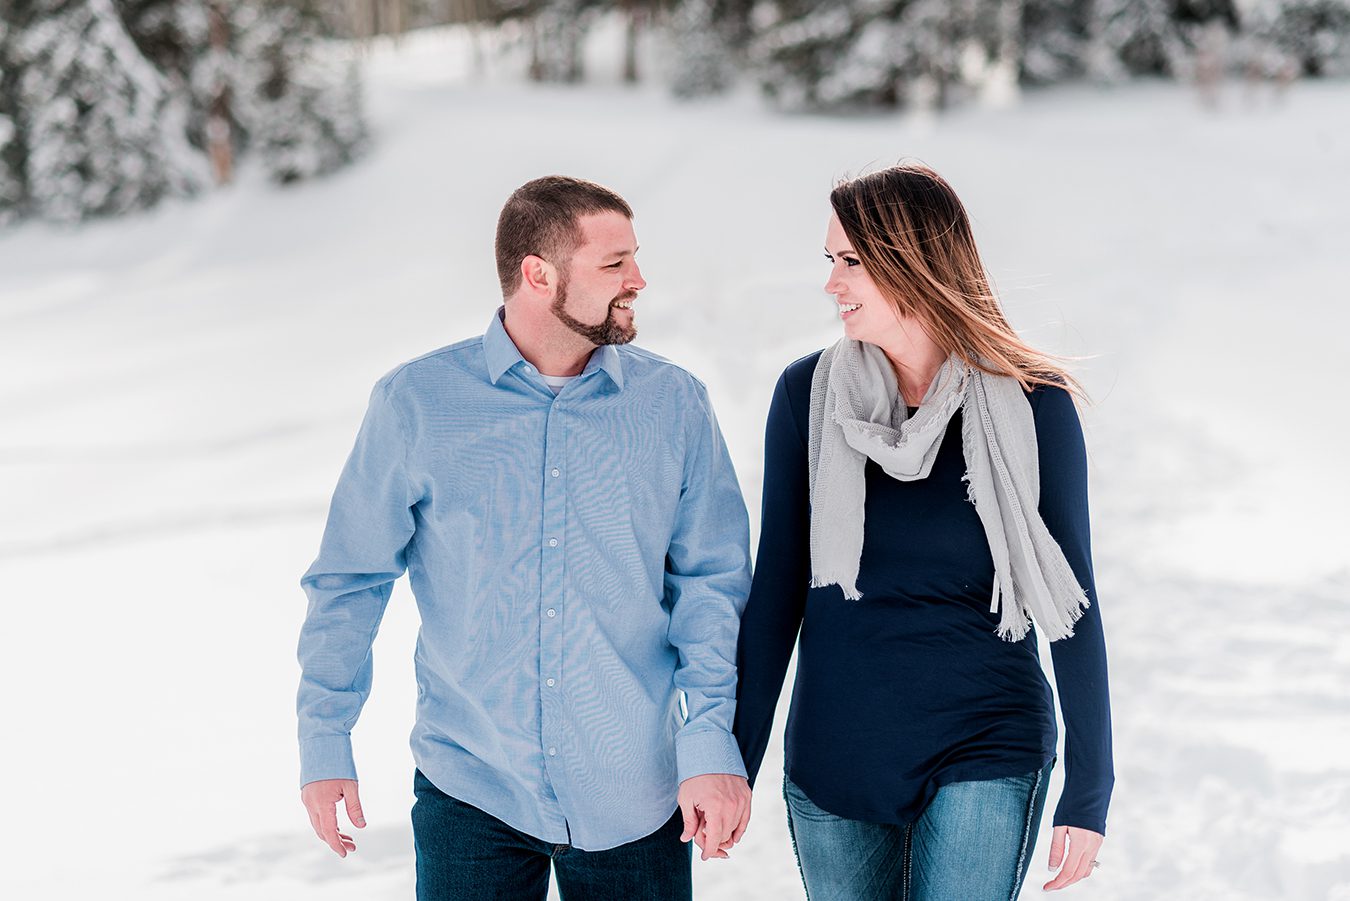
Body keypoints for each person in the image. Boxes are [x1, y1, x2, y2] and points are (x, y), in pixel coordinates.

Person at [296, 175, 754, 901]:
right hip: (471, 786)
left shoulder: (674, 405)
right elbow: (350, 580)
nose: (638, 280)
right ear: (538, 275)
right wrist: (325, 739)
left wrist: (708, 742)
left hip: (634, 792)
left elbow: (713, 586)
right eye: (614, 264)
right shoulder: (417, 402)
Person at [734, 164, 1113, 900]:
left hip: (986, 741)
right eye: (830, 262)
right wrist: (734, 761)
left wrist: (1090, 785)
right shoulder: (806, 396)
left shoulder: (1034, 407)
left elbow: (1074, 603)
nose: (832, 283)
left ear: (910, 261)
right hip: (837, 753)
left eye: (849, 262)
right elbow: (777, 588)